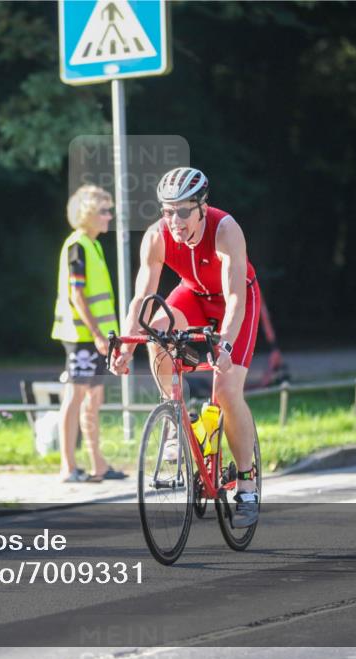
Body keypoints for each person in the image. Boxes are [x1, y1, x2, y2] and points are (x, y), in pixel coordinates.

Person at [110, 167, 260, 526]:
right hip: (192, 296)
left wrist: (223, 345)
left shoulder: (226, 230)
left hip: (233, 303)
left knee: (225, 392)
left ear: (201, 208)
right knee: (153, 324)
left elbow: (236, 297)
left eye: (182, 211)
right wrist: (126, 349)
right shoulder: (156, 237)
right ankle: (176, 414)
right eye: (166, 210)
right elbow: (141, 300)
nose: (174, 220)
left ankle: (247, 483)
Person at [51, 185, 128, 483]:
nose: (109, 217)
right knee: (76, 395)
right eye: (103, 212)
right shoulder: (77, 245)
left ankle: (98, 464)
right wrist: (97, 334)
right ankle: (68, 466)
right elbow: (77, 296)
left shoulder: (92, 245)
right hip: (81, 335)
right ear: (87, 215)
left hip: (95, 336)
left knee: (94, 398)